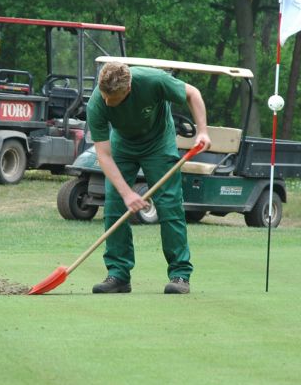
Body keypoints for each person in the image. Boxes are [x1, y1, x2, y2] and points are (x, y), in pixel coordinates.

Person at [86, 61, 211, 294]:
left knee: (169, 205)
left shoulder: (153, 80)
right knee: (114, 206)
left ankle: (180, 275)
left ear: (128, 89)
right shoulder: (97, 103)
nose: (106, 101)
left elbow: (193, 93)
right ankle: (118, 275)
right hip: (122, 145)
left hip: (158, 144)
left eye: (113, 98)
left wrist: (202, 131)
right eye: (104, 95)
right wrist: (126, 193)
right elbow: (103, 155)